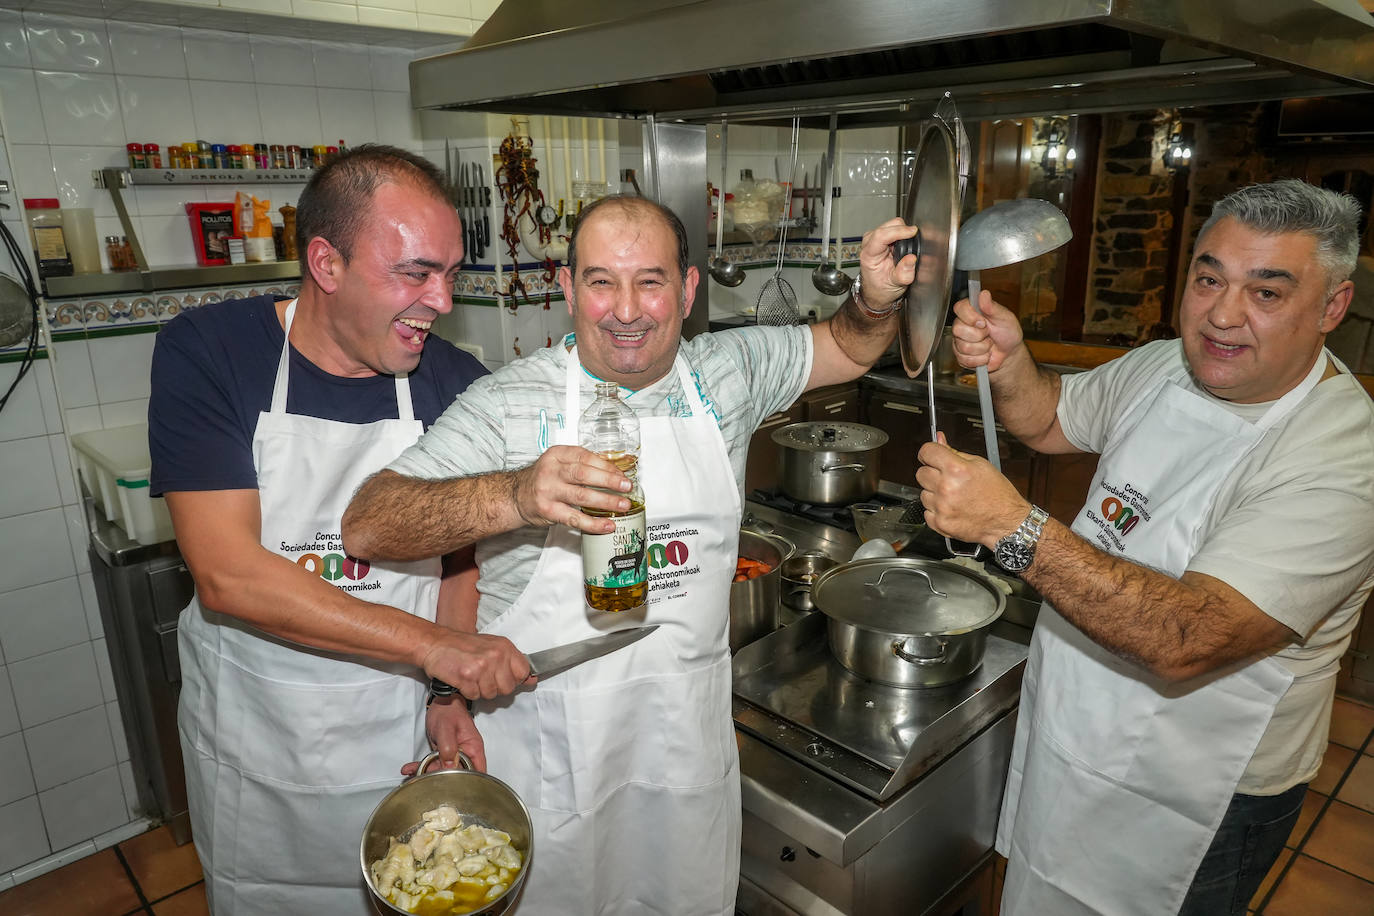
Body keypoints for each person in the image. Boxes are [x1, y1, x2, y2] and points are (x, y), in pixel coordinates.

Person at [341, 195, 916, 914]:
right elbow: (369, 523)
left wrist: (871, 299)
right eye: (601, 281)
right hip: (553, 755)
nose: (626, 310)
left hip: (684, 744)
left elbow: (848, 345)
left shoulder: (728, 373)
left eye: (650, 281)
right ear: (568, 288)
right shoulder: (510, 404)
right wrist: (516, 494)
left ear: (688, 290)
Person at [917, 179, 1374, 916]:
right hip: (1078, 723)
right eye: (1208, 280)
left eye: (1266, 293)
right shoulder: (1168, 366)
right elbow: (1051, 420)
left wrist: (1013, 526)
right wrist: (1009, 362)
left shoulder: (1345, 460)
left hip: (1200, 791)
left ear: (1332, 308)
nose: (1223, 316)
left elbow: (1191, 637)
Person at [148, 144, 530, 916]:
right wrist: (435, 647)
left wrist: (445, 689)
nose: (442, 300)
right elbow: (229, 574)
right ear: (326, 263)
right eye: (415, 272)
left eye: (452, 274)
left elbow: (459, 557)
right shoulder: (211, 354)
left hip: (391, 741)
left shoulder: (454, 381)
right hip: (258, 744)